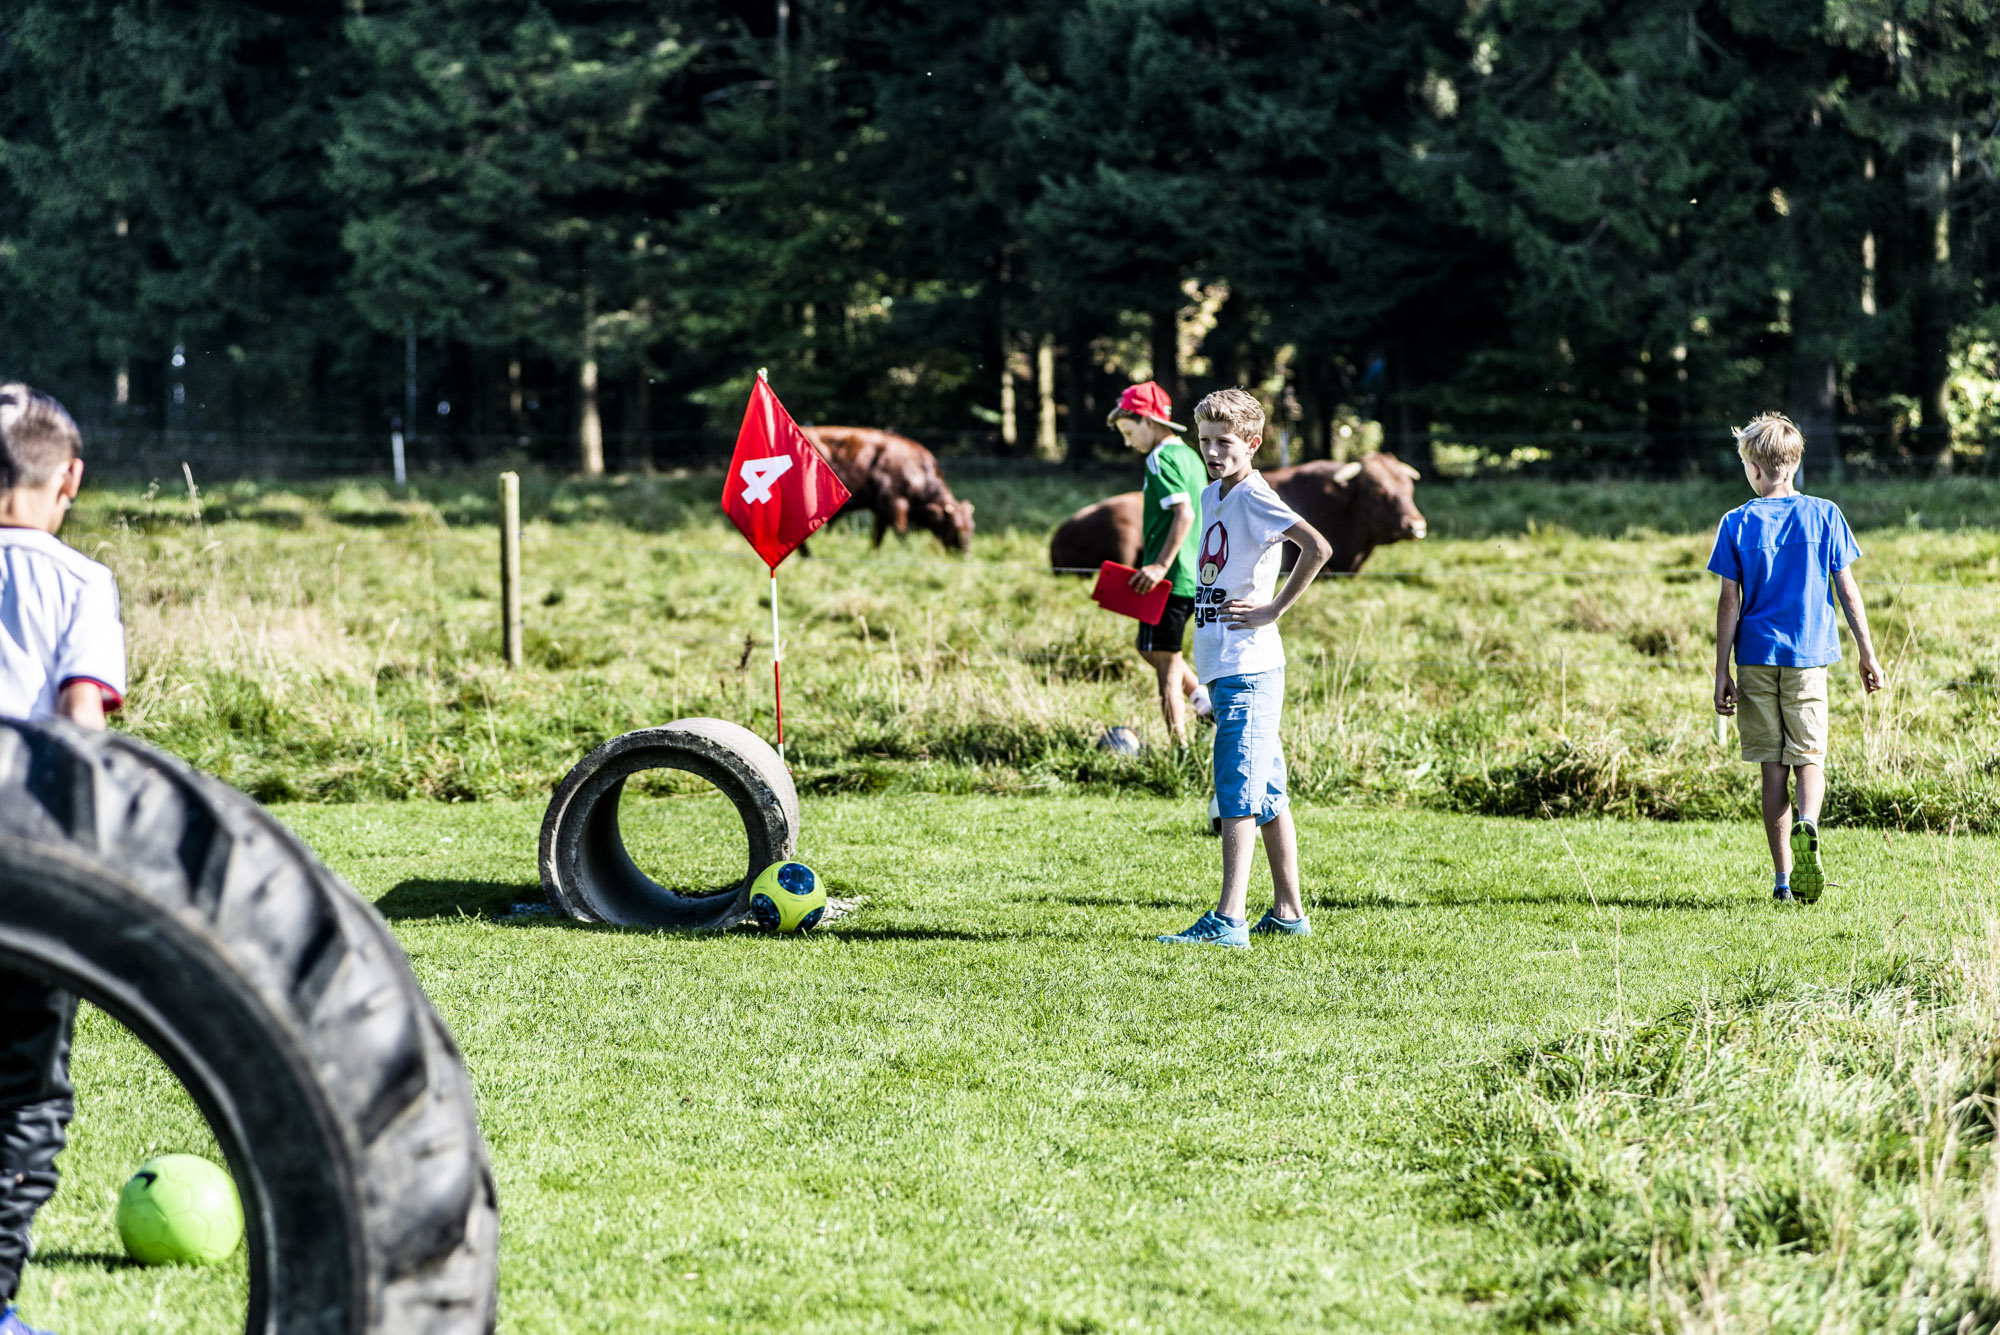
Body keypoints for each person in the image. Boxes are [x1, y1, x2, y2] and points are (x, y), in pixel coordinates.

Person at [0, 383, 126, 1335]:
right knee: (24, 1091)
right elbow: (82, 729)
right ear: (69, 478)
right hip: (24, 871)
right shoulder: (81, 583)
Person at [1159, 388, 1331, 947]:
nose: (1212, 451)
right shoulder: (1213, 494)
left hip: (1249, 669)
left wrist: (1273, 608)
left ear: (1253, 443)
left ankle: (1228, 920)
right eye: (1205, 440)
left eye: (1225, 442)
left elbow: (1317, 547)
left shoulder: (1256, 495)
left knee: (1236, 793)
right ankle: (1288, 913)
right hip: (1226, 666)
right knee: (1269, 793)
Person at [1709, 412, 1882, 903]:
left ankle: (1783, 881)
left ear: (1756, 470)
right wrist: (1867, 653)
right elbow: (1847, 590)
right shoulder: (1825, 515)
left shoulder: (1736, 522)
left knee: (1771, 768)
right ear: (1794, 464)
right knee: (1809, 760)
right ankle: (1809, 822)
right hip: (1809, 659)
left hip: (1756, 659)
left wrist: (1721, 670)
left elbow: (1729, 602)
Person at [1111, 381, 1212, 744]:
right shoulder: (1188, 455)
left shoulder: (1159, 458)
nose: (1128, 441)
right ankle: (1204, 702)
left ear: (1148, 421)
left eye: (1129, 431)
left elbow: (1184, 514)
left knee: (1167, 665)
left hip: (1171, 577)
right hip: (1195, 574)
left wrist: (1158, 566)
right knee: (1149, 647)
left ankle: (1179, 749)